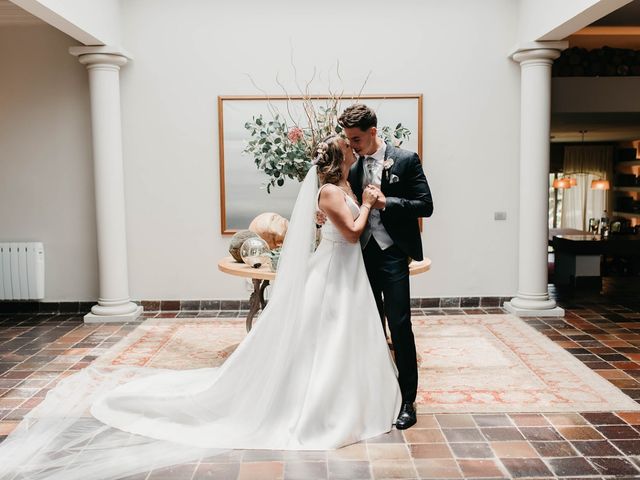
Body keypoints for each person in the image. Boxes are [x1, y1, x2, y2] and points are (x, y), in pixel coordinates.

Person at [0, 135, 402, 479]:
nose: (353, 150)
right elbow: (350, 235)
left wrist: (363, 200)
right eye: (347, 148)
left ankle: (353, 400)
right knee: (322, 340)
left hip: (350, 276)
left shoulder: (346, 185)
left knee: (342, 338)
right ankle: (320, 408)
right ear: (337, 159)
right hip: (333, 272)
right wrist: (367, 205)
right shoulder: (331, 192)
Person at [320, 104, 434, 430]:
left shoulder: (406, 160)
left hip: (393, 254)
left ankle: (408, 401)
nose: (352, 145)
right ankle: (372, 395)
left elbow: (425, 205)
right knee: (366, 326)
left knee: (399, 326)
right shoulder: (353, 169)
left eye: (356, 138)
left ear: (372, 132)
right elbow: (345, 207)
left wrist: (387, 203)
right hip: (359, 258)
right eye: (348, 139)